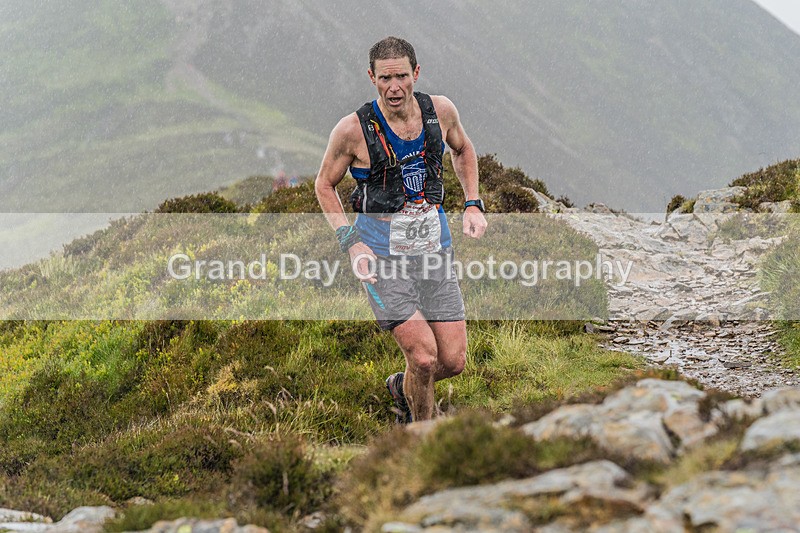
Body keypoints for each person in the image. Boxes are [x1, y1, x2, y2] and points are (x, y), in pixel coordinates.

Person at [315, 36, 487, 423]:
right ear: (372, 77)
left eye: (402, 77)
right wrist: (351, 242)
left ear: (416, 74)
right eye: (385, 78)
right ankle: (421, 434)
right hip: (382, 260)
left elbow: (463, 149)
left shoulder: (439, 112)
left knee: (453, 361)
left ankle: (402, 385)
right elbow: (324, 185)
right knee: (424, 357)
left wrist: (472, 202)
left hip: (435, 252)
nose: (394, 88)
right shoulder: (352, 130)